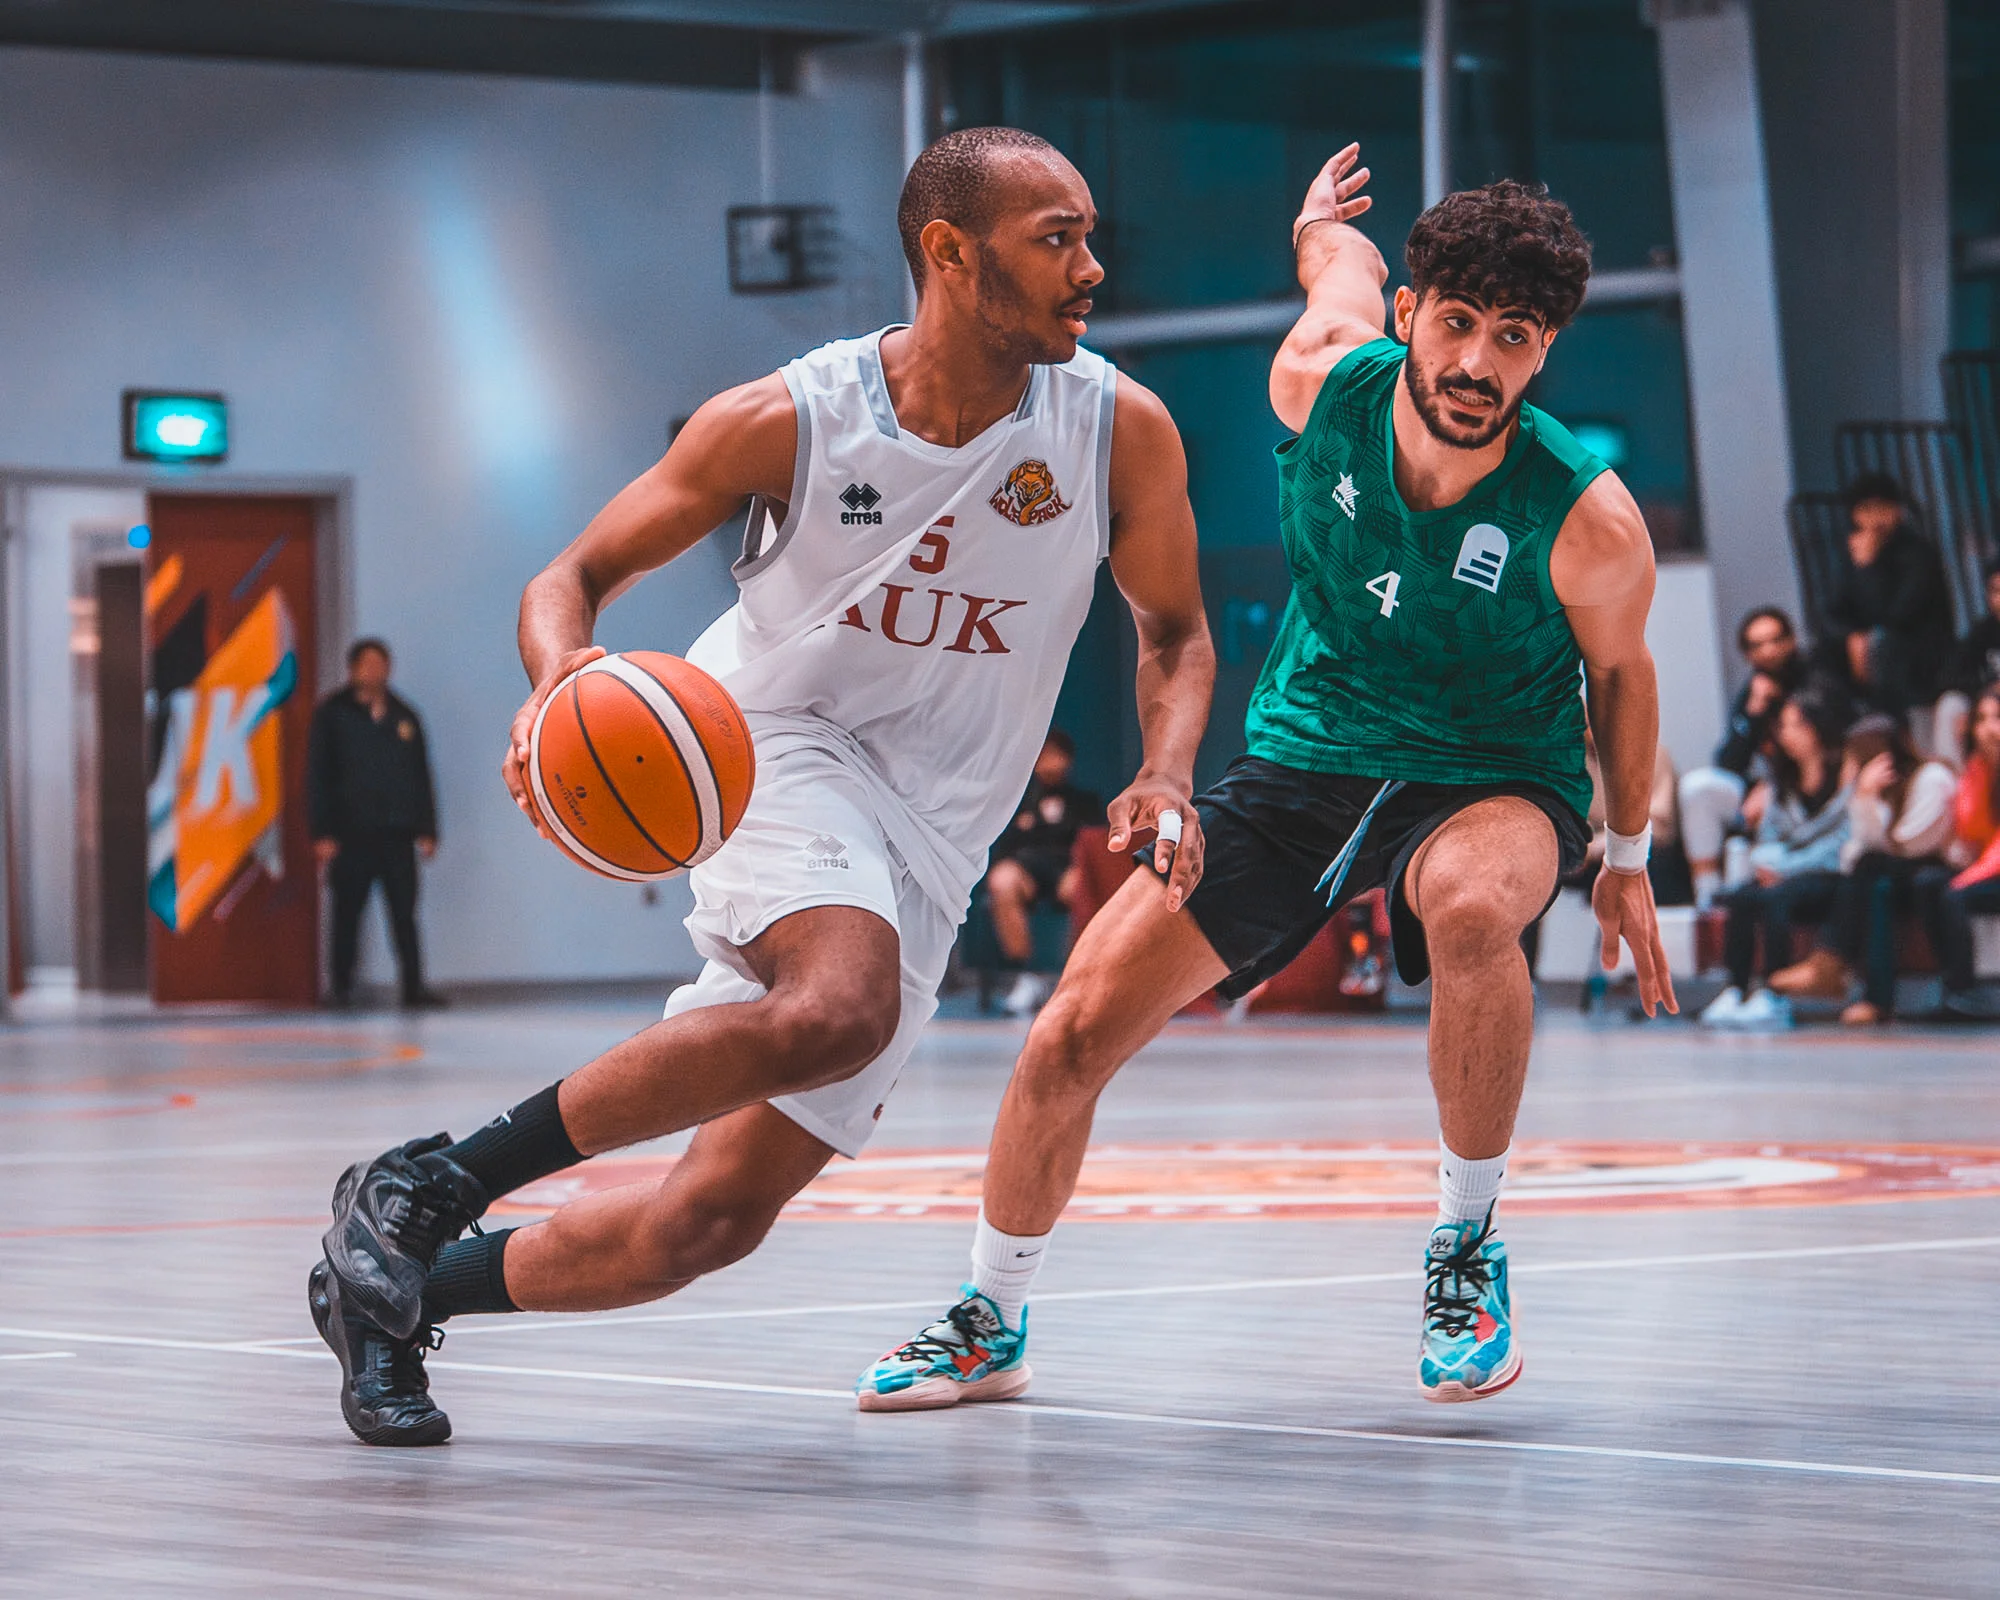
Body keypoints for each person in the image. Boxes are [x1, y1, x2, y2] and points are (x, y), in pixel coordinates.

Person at [306, 126, 1213, 1447]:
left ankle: (384, 1295)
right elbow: (567, 578)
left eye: (1087, 234)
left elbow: (1177, 636)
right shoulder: (795, 418)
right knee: (835, 1007)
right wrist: (561, 686)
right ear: (952, 255)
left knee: (704, 1226)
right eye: (1057, 239)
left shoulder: (1116, 431)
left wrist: (1167, 766)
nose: (1092, 268)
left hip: (938, 840)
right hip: (772, 748)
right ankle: (431, 1181)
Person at [858, 151, 1674, 1413]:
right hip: (1303, 752)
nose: (1474, 363)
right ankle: (990, 1313)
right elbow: (1335, 269)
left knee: (1467, 905)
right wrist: (1313, 226)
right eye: (1453, 323)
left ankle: (1463, 1250)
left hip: (1494, 768)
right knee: (1070, 1027)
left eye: (1511, 339)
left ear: (1542, 352)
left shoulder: (1587, 516)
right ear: (1410, 316)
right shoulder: (1319, 381)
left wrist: (1622, 860)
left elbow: (1620, 680)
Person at [1768, 714, 1956, 1024]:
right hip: (1893, 874)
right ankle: (1864, 991)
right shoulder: (1883, 790)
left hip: (1934, 870)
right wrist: (1864, 798)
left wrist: (1864, 798)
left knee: (1871, 870)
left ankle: (1831, 965)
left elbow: (1910, 845)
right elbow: (1858, 849)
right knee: (1872, 879)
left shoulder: (1932, 778)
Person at [1700, 687, 1852, 1030]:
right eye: (1782, 727)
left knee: (1776, 900)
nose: (1787, 734)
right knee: (1741, 896)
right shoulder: (1780, 778)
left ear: (1817, 726)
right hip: (1784, 871)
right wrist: (1770, 864)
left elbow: (1841, 843)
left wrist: (1785, 869)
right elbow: (1767, 836)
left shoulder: (1845, 775)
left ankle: (1774, 993)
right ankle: (1736, 989)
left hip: (1827, 874)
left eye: (1795, 725)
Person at [307, 638, 446, 1010]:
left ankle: (413, 987)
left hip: (397, 833)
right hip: (350, 835)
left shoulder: (405, 716)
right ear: (353, 669)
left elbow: (420, 776)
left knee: (404, 914)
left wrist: (427, 829)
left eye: (380, 663)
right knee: (347, 913)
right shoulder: (332, 715)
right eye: (366, 664)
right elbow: (317, 776)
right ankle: (340, 987)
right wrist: (321, 832)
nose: (373, 671)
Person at [1678, 606, 1808, 907]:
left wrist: (1774, 785)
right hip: (1764, 791)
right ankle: (1709, 899)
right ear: (1747, 654)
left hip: (1806, 789)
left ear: (1791, 641)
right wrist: (1752, 713)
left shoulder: (1816, 682)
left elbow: (1824, 753)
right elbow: (1728, 763)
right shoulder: (1754, 689)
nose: (1769, 651)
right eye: (1757, 645)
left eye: (1775, 640)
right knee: (1698, 788)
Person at [984, 728, 1101, 1015]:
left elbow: (1093, 847)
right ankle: (1025, 977)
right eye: (1044, 755)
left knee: (1082, 886)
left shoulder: (1085, 802)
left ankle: (1078, 979)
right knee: (1002, 881)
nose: (1051, 762)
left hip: (1064, 869)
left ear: (1068, 759)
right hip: (1025, 868)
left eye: (1056, 755)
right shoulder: (1016, 801)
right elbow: (1003, 846)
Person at [1817, 473, 1950, 721]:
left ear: (1897, 510)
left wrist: (1868, 568)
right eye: (1866, 509)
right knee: (1823, 652)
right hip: (1871, 647)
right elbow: (1833, 610)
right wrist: (1853, 635)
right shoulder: (1853, 552)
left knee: (1883, 641)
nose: (1874, 518)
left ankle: (1891, 721)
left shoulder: (1918, 553)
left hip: (1916, 650)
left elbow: (1897, 613)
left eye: (1882, 507)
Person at [1915, 683, 2000, 1020]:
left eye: (1996, 717)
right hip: (1986, 866)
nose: (1988, 727)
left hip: (1991, 867)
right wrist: (1981, 772)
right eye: (1981, 719)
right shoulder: (1979, 767)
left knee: (1955, 895)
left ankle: (1968, 991)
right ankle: (1952, 986)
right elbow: (1970, 828)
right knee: (1927, 882)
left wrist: (1968, 877)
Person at [1934, 561, 2000, 759]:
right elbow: (1948, 677)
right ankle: (1953, 780)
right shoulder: (1984, 633)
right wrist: (1980, 699)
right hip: (1990, 704)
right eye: (1996, 591)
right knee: (1950, 705)